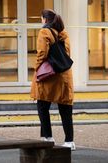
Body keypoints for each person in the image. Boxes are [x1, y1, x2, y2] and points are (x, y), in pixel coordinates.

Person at [31, 9, 75, 150]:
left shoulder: (44, 32)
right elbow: (67, 52)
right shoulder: (64, 33)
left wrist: (37, 68)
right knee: (65, 108)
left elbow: (42, 54)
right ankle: (69, 141)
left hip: (49, 76)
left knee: (43, 105)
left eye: (41, 19)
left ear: (45, 19)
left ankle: (48, 138)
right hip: (64, 75)